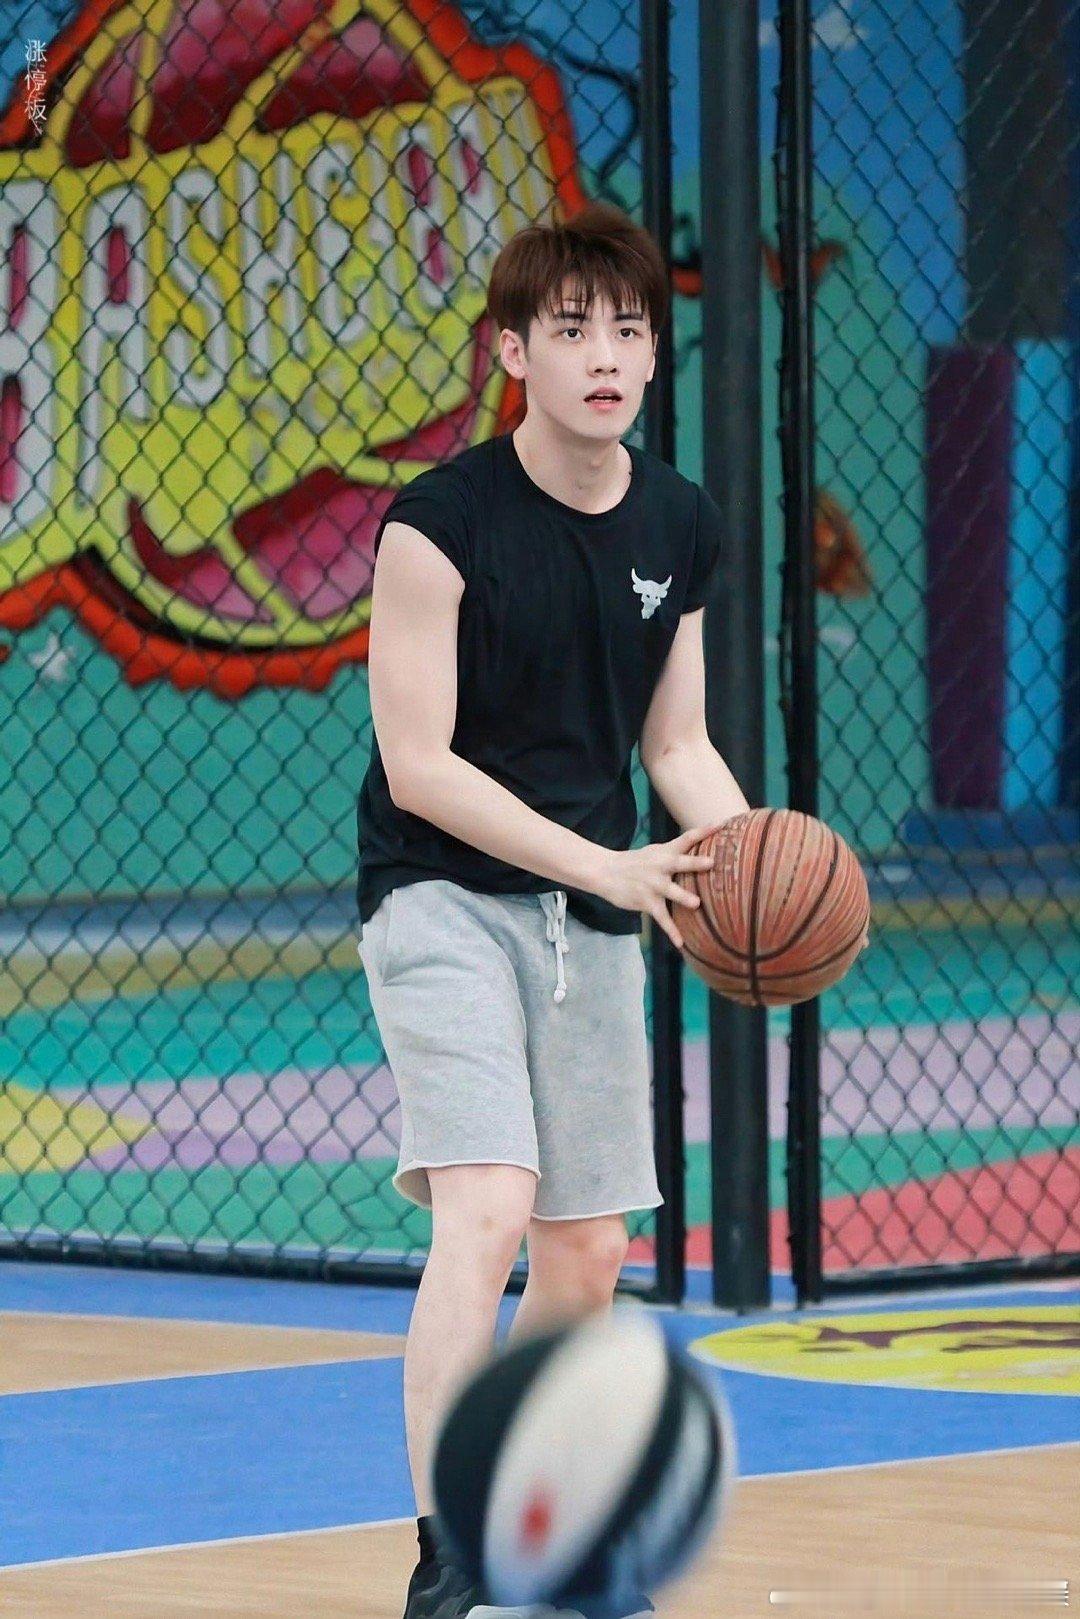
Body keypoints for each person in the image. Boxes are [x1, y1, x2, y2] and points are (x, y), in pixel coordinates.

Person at [355, 199, 749, 1619]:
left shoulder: (679, 523)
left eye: (628, 331)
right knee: (489, 1204)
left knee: (588, 1247)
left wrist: (761, 863)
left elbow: (675, 747)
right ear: (513, 351)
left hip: (589, 912)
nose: (605, 356)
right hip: (440, 898)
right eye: (571, 330)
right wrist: (610, 870)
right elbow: (421, 766)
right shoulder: (438, 526)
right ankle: (448, 1548)